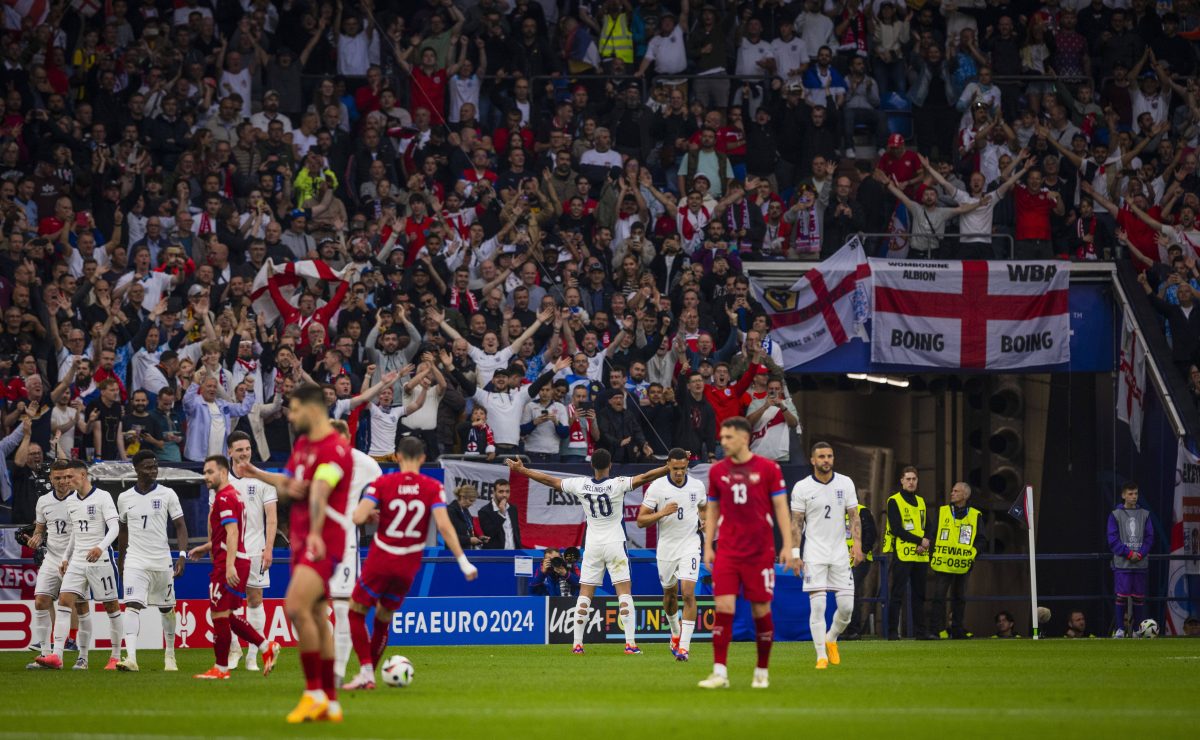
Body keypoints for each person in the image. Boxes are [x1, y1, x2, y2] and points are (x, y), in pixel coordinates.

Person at [238, 384, 354, 723]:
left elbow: (319, 490)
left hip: (323, 541)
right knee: (318, 616)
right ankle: (330, 703)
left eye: (294, 409)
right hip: (304, 540)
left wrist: (316, 532)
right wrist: (257, 473)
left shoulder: (336, 449)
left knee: (295, 606)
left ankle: (313, 693)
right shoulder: (303, 445)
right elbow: (292, 484)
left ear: (312, 408)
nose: (289, 416)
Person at [342, 437, 478, 690]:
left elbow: (359, 517)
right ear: (423, 459)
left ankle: (366, 672)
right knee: (384, 616)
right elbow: (444, 525)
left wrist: (369, 513)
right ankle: (369, 673)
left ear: (397, 457)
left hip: (382, 558)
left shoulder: (383, 482)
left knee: (355, 611)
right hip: (408, 565)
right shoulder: (432, 486)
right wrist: (463, 561)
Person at [506, 449, 669, 655]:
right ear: (610, 465)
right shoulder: (617, 484)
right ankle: (630, 644)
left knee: (585, 594)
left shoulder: (581, 484)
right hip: (614, 544)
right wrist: (667, 467)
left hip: (592, 545)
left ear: (592, 465)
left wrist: (522, 470)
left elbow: (549, 480)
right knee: (624, 593)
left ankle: (577, 644)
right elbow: (645, 477)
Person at [698, 417, 799, 689]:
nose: (723, 442)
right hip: (728, 551)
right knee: (723, 607)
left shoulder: (769, 469)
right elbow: (713, 509)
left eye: (728, 437)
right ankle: (720, 672)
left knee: (760, 609)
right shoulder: (717, 471)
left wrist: (788, 545)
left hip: (759, 552)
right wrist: (708, 545)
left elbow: (780, 508)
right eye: (722, 437)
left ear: (744, 438)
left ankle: (762, 671)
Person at [188, 431, 280, 671]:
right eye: (239, 449)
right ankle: (237, 651)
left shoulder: (262, 480)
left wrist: (269, 547)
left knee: (252, 601)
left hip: (254, 551)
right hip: (230, 552)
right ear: (229, 452)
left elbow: (271, 518)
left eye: (247, 449)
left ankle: (252, 656)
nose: (244, 453)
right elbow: (213, 521)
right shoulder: (222, 483)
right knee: (228, 609)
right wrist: (211, 547)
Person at [36, 461, 124, 671]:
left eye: (70, 477)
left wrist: (101, 547)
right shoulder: (72, 501)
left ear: (83, 475)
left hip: (100, 559)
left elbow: (114, 527)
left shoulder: (102, 496)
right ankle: (57, 656)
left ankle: (115, 656)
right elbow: (75, 533)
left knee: (111, 606)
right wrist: (66, 556)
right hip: (76, 560)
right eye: (63, 477)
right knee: (65, 602)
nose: (66, 481)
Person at [789, 442, 863, 669]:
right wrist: (795, 554)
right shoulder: (802, 487)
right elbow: (796, 523)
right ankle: (821, 655)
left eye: (829, 456)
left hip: (840, 554)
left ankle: (831, 638)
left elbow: (854, 516)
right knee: (818, 607)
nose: (826, 460)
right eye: (821, 456)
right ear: (812, 460)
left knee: (847, 609)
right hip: (814, 554)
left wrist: (857, 544)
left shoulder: (845, 482)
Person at [114, 452, 188, 672]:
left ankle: (170, 655)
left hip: (161, 560)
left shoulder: (167, 494)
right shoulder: (125, 498)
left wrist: (182, 555)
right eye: (147, 467)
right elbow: (123, 531)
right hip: (136, 560)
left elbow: (181, 526)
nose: (153, 471)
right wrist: (121, 559)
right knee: (131, 605)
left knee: (166, 609)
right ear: (137, 469)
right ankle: (132, 658)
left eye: (155, 467)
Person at [327, 419, 383, 686]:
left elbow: (381, 492)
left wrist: (368, 510)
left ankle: (336, 672)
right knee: (302, 608)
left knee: (342, 609)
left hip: (345, 543)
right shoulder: (317, 458)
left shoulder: (365, 464)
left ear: (348, 437)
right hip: (314, 541)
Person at [637, 448, 707, 661]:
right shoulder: (657, 487)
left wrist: (704, 521)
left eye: (683, 469)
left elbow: (704, 507)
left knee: (687, 593)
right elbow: (641, 520)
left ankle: (684, 647)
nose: (679, 473)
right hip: (667, 548)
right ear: (668, 465)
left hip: (690, 545)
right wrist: (662, 513)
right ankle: (675, 632)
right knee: (669, 595)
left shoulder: (697, 485)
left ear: (687, 465)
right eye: (675, 469)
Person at [25, 460, 92, 670]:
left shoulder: (80, 499)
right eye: (58, 478)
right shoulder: (44, 501)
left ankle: (82, 657)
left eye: (66, 477)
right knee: (41, 601)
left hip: (75, 558)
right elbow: (40, 529)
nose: (63, 481)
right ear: (51, 479)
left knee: (80, 605)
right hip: (52, 557)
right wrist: (35, 538)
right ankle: (46, 654)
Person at [928, 482, 985, 640]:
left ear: (965, 495)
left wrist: (972, 553)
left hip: (962, 564)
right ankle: (935, 630)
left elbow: (981, 540)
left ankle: (957, 629)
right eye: (952, 491)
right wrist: (932, 555)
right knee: (939, 598)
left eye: (956, 491)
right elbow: (932, 535)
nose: (952, 493)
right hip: (943, 564)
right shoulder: (942, 512)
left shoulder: (975, 515)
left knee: (960, 598)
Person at [883, 466, 932, 640]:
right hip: (903, 553)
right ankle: (891, 632)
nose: (911, 482)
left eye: (914, 479)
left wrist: (925, 541)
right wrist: (920, 540)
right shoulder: (894, 500)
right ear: (902, 481)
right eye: (908, 479)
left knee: (920, 594)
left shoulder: (921, 501)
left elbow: (928, 525)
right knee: (897, 593)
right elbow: (896, 528)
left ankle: (920, 632)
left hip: (920, 554)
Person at [1107, 482, 1153, 637]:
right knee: (1121, 596)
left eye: (1136, 493)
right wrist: (1128, 553)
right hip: (1123, 563)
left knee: (1138, 597)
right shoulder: (1115, 515)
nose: (1134, 497)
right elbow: (1112, 539)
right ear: (1123, 495)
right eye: (1130, 493)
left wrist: (1139, 554)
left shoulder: (1145, 514)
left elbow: (1149, 538)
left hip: (1140, 562)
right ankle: (1120, 629)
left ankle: (1136, 631)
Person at [841, 494, 877, 640]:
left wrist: (862, 552)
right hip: (840, 562)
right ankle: (845, 628)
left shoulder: (862, 511)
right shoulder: (835, 515)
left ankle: (854, 630)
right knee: (843, 594)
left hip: (859, 561)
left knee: (851, 591)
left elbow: (871, 534)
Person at [478, 479, 523, 549]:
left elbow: (516, 532)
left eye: (507, 491)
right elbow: (490, 533)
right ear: (494, 492)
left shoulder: (513, 509)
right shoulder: (484, 511)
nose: (504, 495)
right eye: (501, 492)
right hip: (496, 555)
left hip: (514, 552)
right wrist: (501, 514)